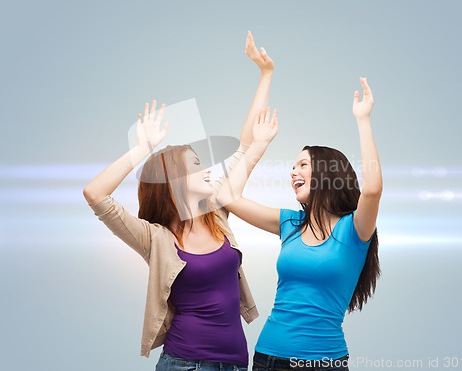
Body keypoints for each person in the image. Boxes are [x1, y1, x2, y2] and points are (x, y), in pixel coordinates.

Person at [83, 32, 275, 370]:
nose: (207, 171)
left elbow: (245, 147)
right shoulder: (154, 238)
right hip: (185, 364)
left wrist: (265, 75)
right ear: (172, 182)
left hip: (234, 363)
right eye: (196, 166)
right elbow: (96, 194)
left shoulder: (218, 215)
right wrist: (141, 150)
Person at [217, 78, 382, 371]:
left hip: (322, 363)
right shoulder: (290, 223)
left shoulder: (354, 229)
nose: (294, 172)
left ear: (328, 173)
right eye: (294, 166)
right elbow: (227, 196)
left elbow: (371, 190)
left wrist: (363, 120)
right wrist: (260, 144)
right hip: (267, 357)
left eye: (303, 164)